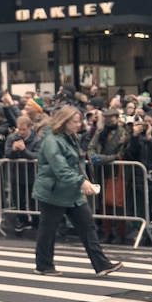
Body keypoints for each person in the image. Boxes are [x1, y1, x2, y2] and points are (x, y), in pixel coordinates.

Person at [31, 106, 122, 276]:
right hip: (54, 191)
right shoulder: (52, 140)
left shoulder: (68, 137)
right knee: (48, 229)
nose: (79, 124)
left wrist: (83, 180)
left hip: (71, 190)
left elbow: (73, 164)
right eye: (75, 121)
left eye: (79, 121)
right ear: (64, 122)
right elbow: (60, 167)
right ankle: (43, 264)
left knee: (87, 225)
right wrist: (81, 181)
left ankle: (102, 264)